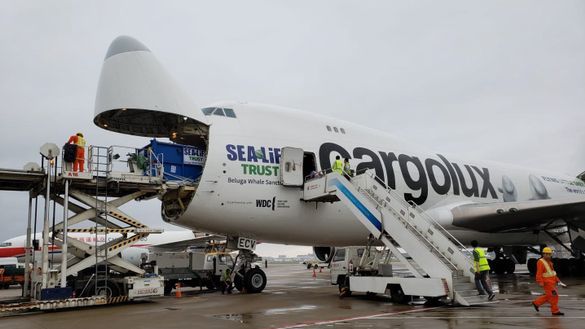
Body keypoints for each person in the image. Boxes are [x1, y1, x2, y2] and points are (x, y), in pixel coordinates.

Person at [532, 247, 566, 316]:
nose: (547, 255)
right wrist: (540, 282)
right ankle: (555, 311)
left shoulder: (550, 262)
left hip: (552, 282)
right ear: (543, 254)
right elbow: (539, 273)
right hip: (547, 283)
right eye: (546, 254)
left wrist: (558, 281)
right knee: (554, 296)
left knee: (549, 296)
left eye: (549, 254)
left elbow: (552, 273)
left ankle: (536, 303)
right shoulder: (540, 262)